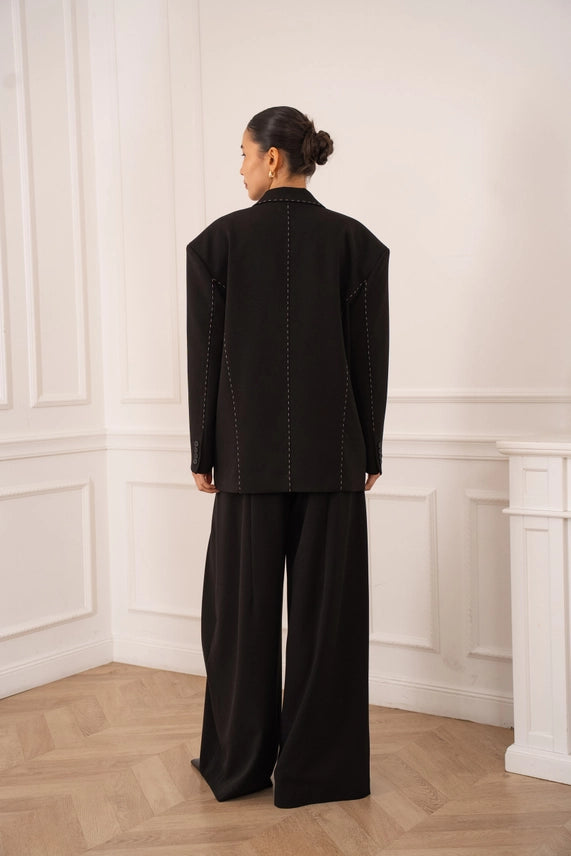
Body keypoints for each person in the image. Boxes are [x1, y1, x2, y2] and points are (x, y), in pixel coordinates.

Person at [186, 106, 389, 809]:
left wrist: (203, 450)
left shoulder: (217, 244)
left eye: (243, 154)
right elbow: (369, 358)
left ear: (272, 159)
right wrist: (370, 446)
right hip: (335, 459)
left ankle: (238, 763)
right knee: (329, 622)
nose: (240, 167)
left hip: (245, 463)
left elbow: (205, 360)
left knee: (239, 622)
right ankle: (319, 771)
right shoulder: (356, 244)